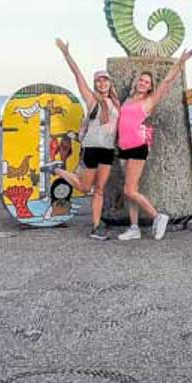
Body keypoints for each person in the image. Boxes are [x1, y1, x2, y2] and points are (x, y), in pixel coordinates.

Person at [117, 48, 192, 241]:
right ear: (136, 82)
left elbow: (167, 82)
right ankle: (134, 227)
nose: (143, 84)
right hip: (123, 148)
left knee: (130, 190)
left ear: (150, 87)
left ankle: (158, 216)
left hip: (137, 147)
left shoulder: (149, 101)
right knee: (130, 191)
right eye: (141, 80)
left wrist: (181, 62)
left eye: (147, 82)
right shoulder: (127, 100)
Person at [55, 38, 121, 240]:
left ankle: (95, 226)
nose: (102, 83)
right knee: (85, 187)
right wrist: (66, 54)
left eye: (105, 80)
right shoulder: (93, 100)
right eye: (98, 81)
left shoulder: (117, 104)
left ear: (110, 83)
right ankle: (56, 169)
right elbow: (78, 76)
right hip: (91, 149)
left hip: (107, 150)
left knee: (99, 189)